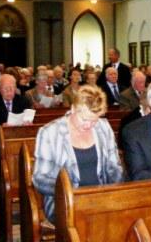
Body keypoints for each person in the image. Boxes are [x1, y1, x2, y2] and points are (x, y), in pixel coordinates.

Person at [32, 85, 124, 223]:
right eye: (84, 119)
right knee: (92, 220)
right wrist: (71, 192)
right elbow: (40, 179)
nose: (89, 125)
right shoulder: (50, 132)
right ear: (73, 109)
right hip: (65, 201)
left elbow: (114, 168)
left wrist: (115, 195)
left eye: (94, 120)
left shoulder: (103, 127)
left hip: (101, 198)